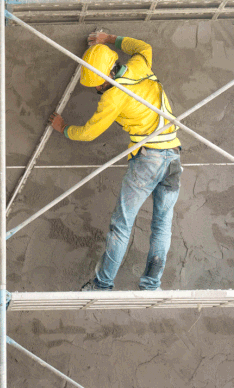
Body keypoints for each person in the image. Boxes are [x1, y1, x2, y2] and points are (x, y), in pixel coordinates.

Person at [48, 32, 182, 291]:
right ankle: (152, 284)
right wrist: (108, 38)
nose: (97, 89)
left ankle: (102, 284)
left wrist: (64, 127)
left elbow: (88, 132)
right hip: (174, 155)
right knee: (162, 224)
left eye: (97, 85)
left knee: (121, 226)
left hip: (148, 160)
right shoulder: (139, 65)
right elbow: (143, 45)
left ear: (105, 80)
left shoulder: (113, 97)